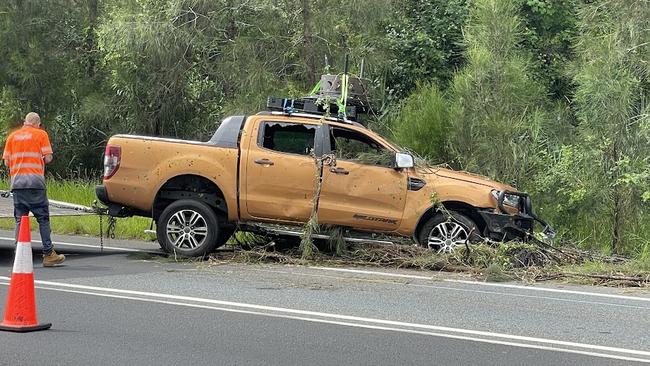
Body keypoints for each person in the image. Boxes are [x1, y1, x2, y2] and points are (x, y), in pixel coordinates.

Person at [3, 112, 64, 266]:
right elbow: (48, 158)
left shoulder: (12, 137)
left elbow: (6, 162)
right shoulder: (40, 134)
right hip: (35, 183)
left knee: (20, 219)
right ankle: (48, 254)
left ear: (25, 122)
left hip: (17, 184)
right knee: (43, 218)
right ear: (37, 123)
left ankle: (20, 253)